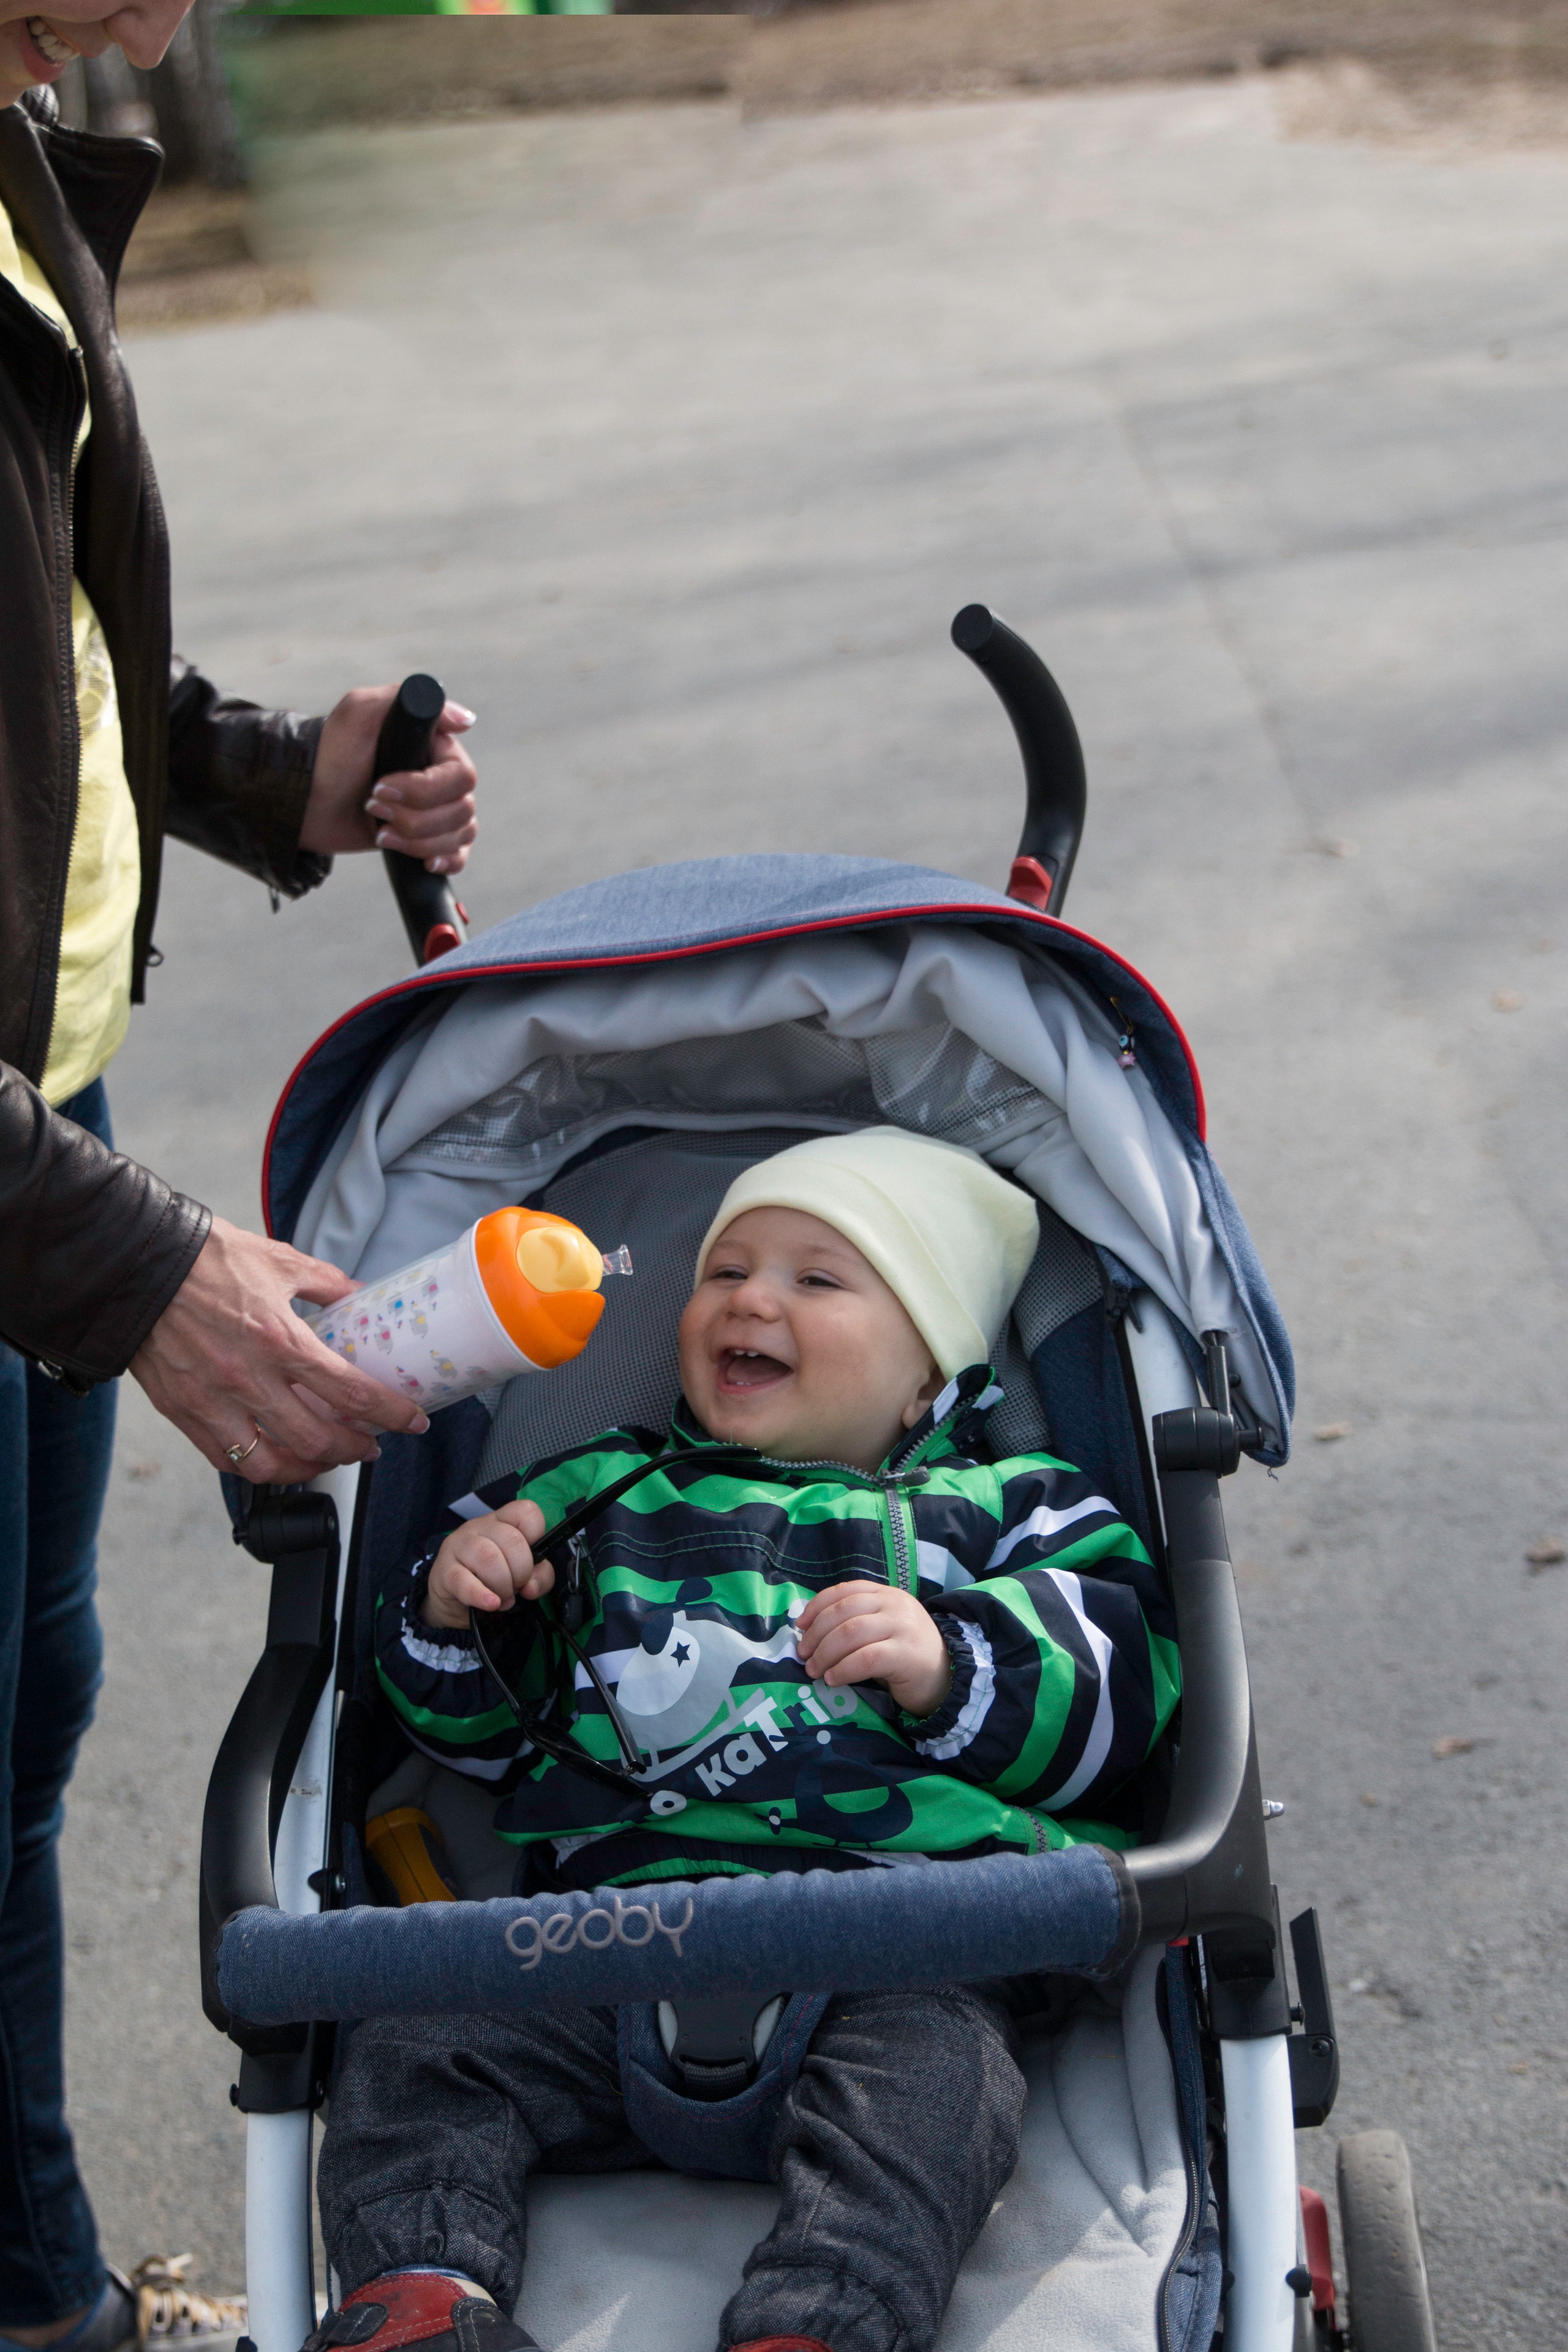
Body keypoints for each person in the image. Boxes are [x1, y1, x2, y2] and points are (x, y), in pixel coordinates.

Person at [1, 12, 478, 2351]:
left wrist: (278, 777)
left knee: (19, 1737)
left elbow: (50, 683)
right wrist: (143, 1266)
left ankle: (40, 2295)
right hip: (31, 1183)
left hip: (32, 1117)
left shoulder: (15, 156)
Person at [315, 1130, 1180, 2352]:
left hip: (895, 1944)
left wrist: (949, 1665)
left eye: (816, 1281)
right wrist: (456, 1605)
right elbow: (475, 1741)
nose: (749, 1299)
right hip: (599, 1943)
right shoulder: (590, 1498)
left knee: (936, 2092)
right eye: (724, 1271)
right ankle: (424, 2294)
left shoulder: (1008, 1512)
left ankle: (816, 2320)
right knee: (419, 2045)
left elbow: (1128, 1686)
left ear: (927, 1374)